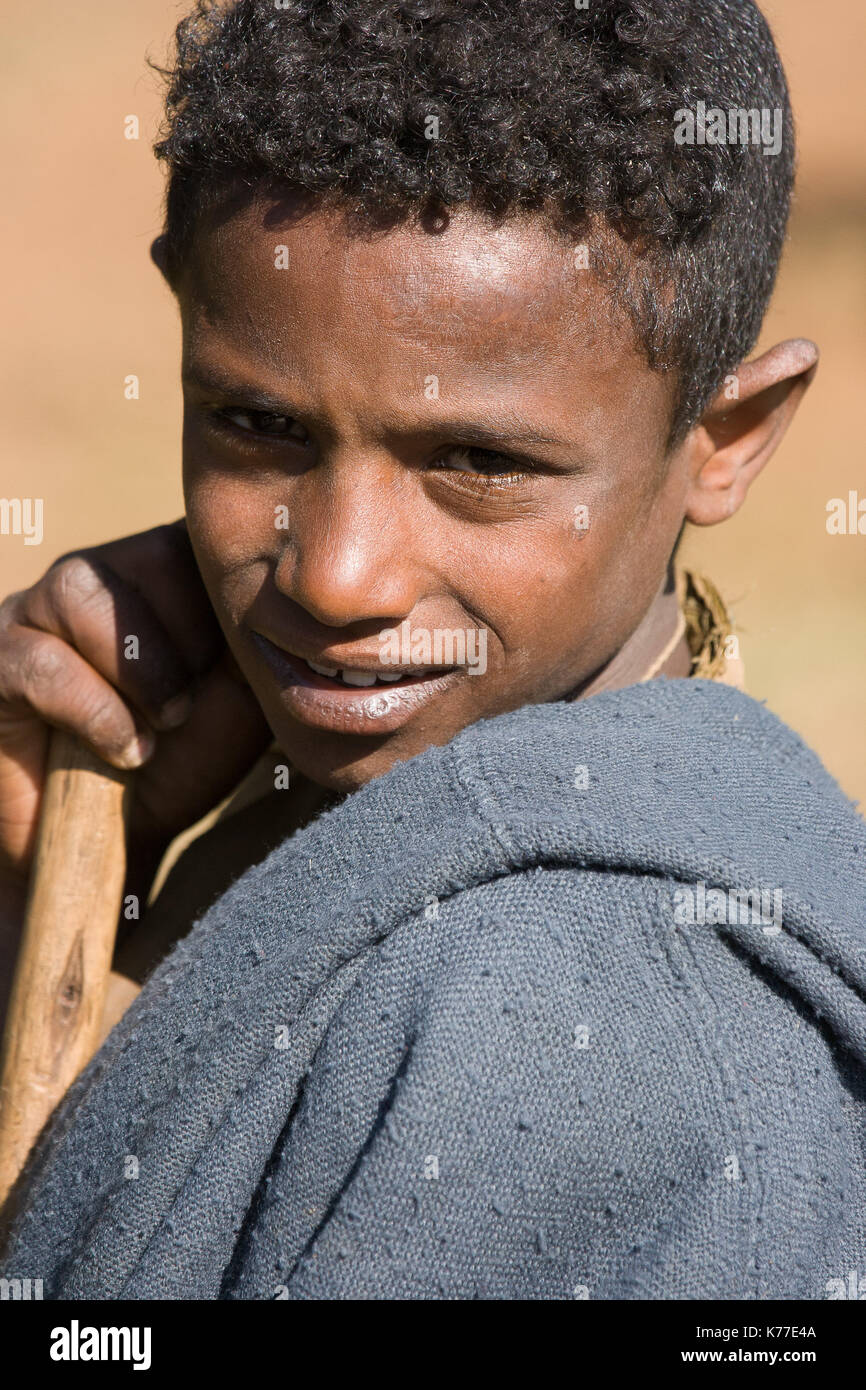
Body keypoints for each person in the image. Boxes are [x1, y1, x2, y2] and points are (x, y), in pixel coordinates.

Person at [1, 0, 864, 1300]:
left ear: (723, 440)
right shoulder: (270, 841)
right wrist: (51, 906)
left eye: (477, 461)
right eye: (257, 425)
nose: (338, 574)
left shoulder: (568, 1028)